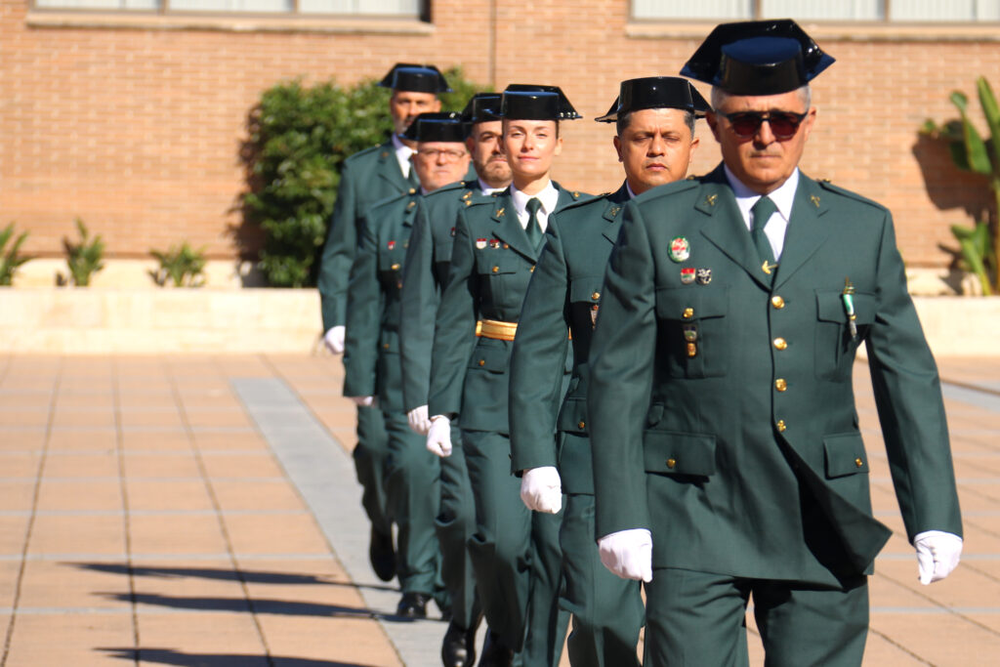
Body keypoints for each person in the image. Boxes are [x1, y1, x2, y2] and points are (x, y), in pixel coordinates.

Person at [587, 20, 964, 666]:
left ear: (809, 120)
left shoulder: (859, 227)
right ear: (713, 122)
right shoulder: (657, 222)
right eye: (744, 121)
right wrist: (621, 510)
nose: (765, 135)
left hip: (821, 511)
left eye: (783, 120)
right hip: (694, 506)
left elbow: (906, 375)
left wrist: (933, 509)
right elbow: (618, 374)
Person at [509, 77, 708, 667]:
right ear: (617, 145)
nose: (655, 149)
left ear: (695, 144)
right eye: (641, 137)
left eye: (670, 137)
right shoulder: (576, 230)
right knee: (597, 615)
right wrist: (535, 455)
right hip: (595, 452)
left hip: (697, 458)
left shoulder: (728, 230)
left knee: (691, 627)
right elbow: (540, 349)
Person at [425, 85, 587, 666]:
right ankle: (511, 635)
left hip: (565, 395)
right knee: (497, 539)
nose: (527, 144)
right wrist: (441, 404)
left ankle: (526, 658)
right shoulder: (476, 218)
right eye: (516, 133)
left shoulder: (586, 215)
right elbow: (454, 316)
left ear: (557, 144)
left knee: (552, 547)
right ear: (499, 141)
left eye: (540, 134)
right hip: (492, 394)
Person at [317, 63, 449, 584]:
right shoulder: (362, 170)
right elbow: (340, 252)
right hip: (375, 330)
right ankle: (381, 518)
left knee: (421, 459)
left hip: (430, 339)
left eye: (423, 104)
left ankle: (427, 558)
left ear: (438, 108)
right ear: (391, 106)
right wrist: (336, 320)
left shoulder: (454, 162)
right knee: (374, 448)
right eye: (404, 102)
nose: (413, 111)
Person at [399, 93, 512, 667]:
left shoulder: (561, 212)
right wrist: (420, 395)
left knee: (519, 531)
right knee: (465, 516)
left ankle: (506, 634)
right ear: (471, 147)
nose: (499, 147)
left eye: (508, 134)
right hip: (458, 392)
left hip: (526, 391)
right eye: (487, 137)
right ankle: (464, 616)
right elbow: (419, 308)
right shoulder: (442, 210)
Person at [343, 111, 471, 617]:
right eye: (430, 155)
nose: (440, 162)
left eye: (451, 154)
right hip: (400, 365)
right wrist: (359, 377)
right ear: (414, 161)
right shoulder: (384, 218)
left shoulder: (483, 214)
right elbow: (366, 303)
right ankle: (413, 571)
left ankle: (436, 582)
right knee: (410, 472)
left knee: (446, 481)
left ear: (468, 158)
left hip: (463, 365)